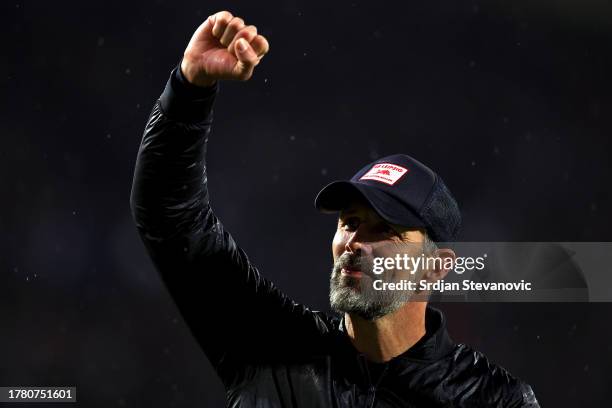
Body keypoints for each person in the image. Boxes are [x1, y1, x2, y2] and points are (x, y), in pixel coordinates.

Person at [130, 10, 539, 407]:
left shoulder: (492, 399)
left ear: (434, 267)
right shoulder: (271, 347)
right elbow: (170, 214)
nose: (355, 242)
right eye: (350, 222)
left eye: (385, 229)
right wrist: (188, 91)